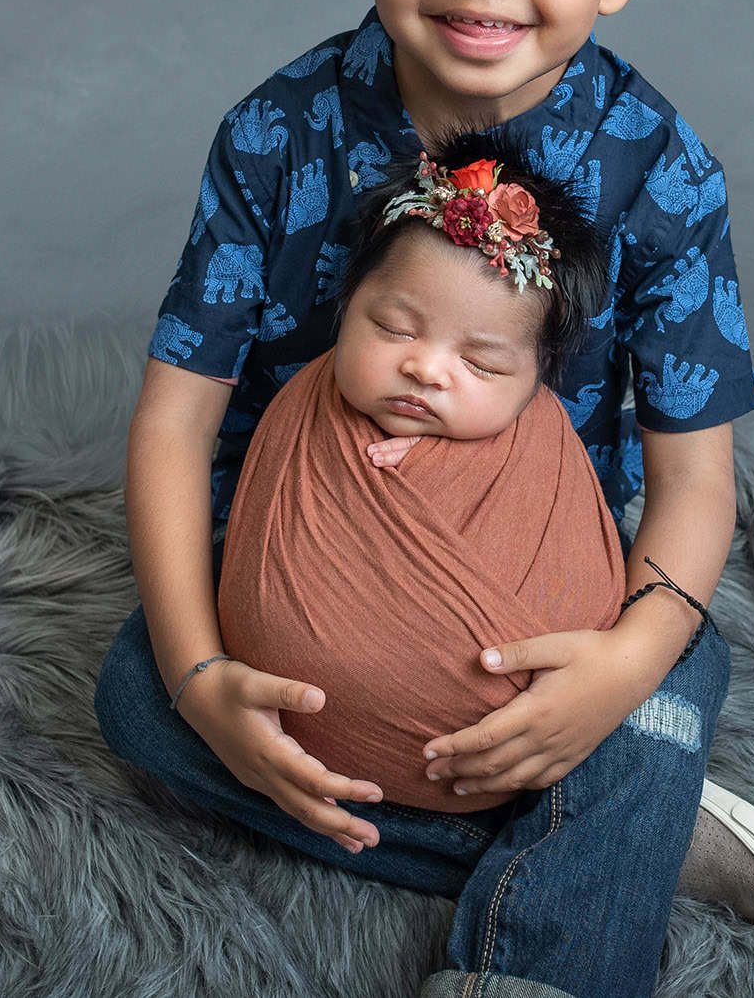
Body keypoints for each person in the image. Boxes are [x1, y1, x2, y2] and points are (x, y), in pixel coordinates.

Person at [96, 0, 754, 998]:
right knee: (137, 699)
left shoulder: (661, 173)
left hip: (538, 587)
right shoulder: (275, 132)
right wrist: (207, 671)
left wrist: (619, 659)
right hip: (302, 565)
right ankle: (624, 836)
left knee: (673, 660)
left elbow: (696, 483)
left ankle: (539, 947)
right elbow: (175, 414)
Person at [215, 139, 629, 817]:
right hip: (275, 732)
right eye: (395, 328)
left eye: (485, 365)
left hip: (558, 724)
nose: (428, 370)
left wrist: (458, 464)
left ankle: (572, 813)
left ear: (536, 379)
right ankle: (578, 828)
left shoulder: (540, 434)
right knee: (138, 691)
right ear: (347, 305)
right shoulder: (307, 408)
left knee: (687, 659)